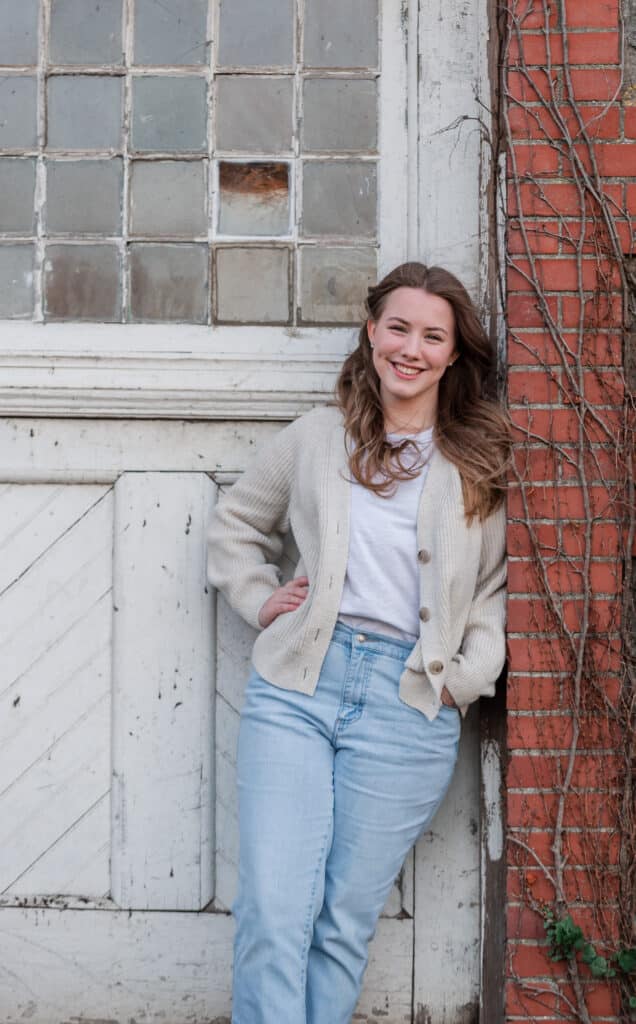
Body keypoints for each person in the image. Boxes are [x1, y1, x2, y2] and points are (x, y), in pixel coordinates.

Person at [206, 261, 511, 1024]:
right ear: (372, 332)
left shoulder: (477, 465)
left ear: (452, 354)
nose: (411, 348)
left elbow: (492, 594)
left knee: (340, 925)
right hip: (301, 688)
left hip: (409, 705)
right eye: (398, 327)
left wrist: (461, 679)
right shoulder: (317, 439)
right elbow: (237, 524)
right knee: (276, 912)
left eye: (432, 335)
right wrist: (260, 599)